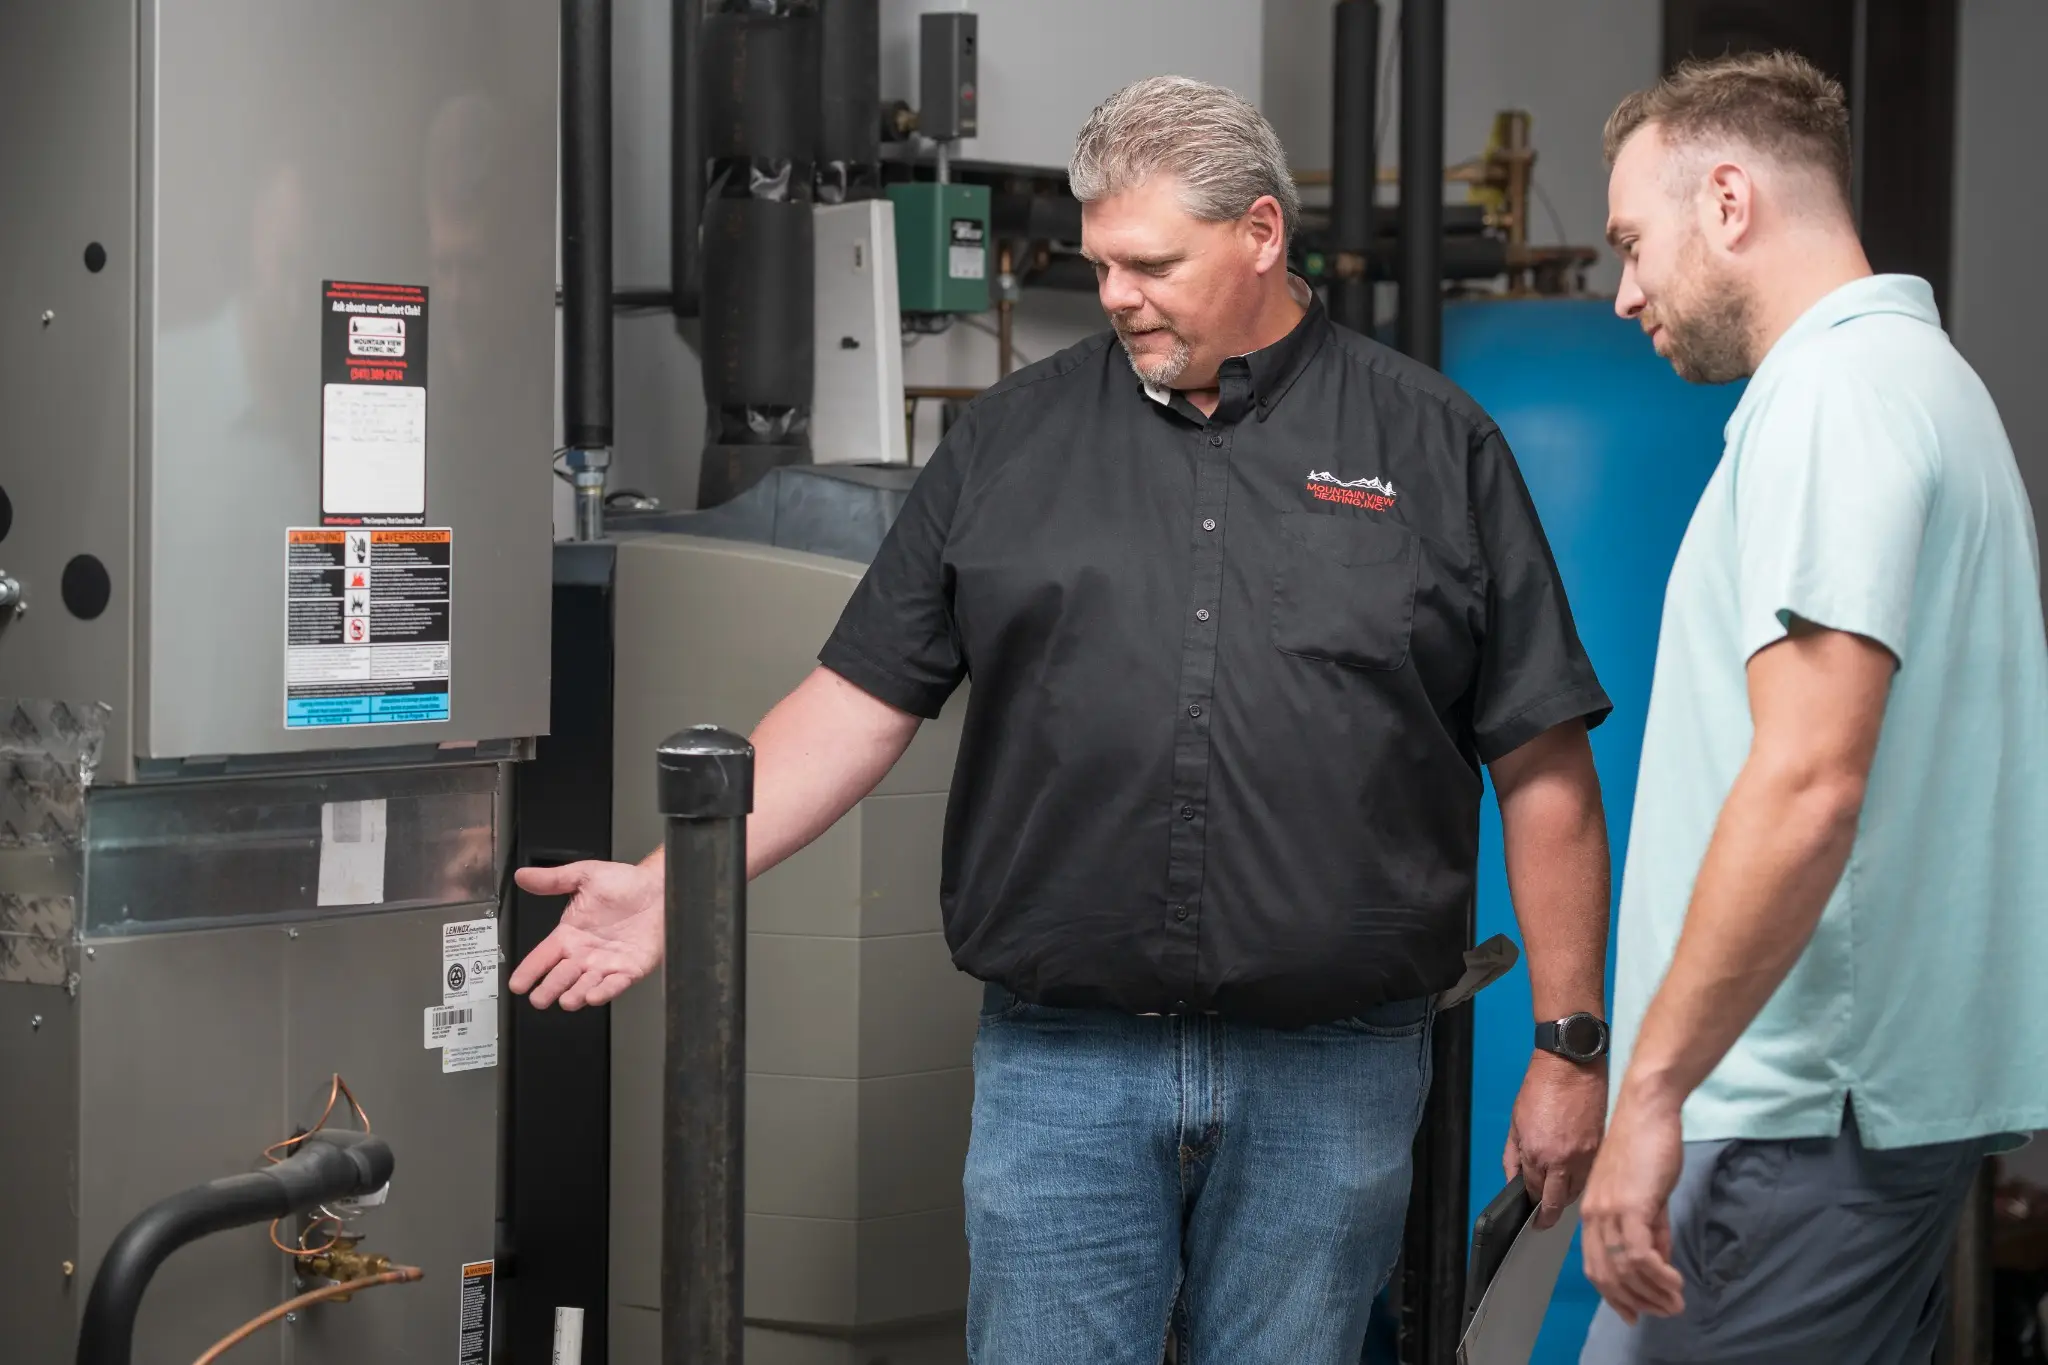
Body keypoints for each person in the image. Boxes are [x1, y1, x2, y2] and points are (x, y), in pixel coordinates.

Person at [515, 75, 1616, 1365]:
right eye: (1098, 265)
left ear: (1263, 234)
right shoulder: (1010, 445)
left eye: (1151, 264)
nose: (1114, 299)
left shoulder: (1434, 446)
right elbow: (857, 705)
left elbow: (1542, 760)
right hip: (1066, 1073)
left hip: (1332, 1075)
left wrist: (1569, 1044)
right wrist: (669, 887)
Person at [1580, 51, 2048, 1364]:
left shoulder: (1835, 397)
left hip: (1787, 1115)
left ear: (1727, 202)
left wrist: (1653, 1093)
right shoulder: (1926, 385)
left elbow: (1808, 779)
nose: (1624, 294)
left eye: (1634, 243)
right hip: (1866, 1113)